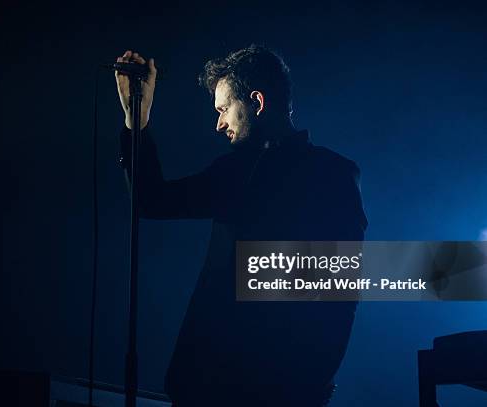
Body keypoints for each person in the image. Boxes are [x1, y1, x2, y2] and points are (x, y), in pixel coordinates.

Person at [114, 45, 368, 407]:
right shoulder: (235, 172)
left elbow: (340, 293)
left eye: (223, 110)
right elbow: (150, 201)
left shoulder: (332, 174)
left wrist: (311, 383)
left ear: (256, 102)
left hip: (279, 390)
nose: (219, 124)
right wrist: (136, 119)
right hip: (207, 386)